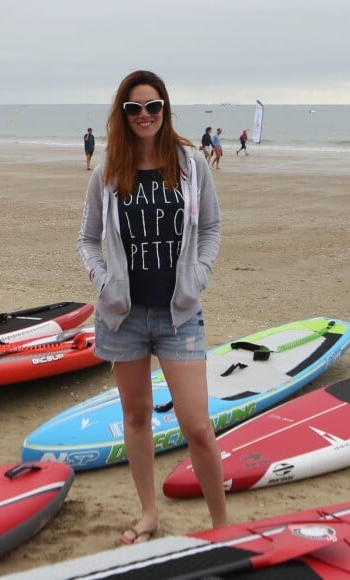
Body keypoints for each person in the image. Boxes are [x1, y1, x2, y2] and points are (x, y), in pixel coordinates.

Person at [78, 70, 227, 544]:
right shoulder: (108, 172)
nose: (145, 116)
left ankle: (222, 526)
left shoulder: (191, 166)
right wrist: (103, 283)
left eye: (153, 106)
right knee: (137, 416)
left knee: (198, 427)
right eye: (134, 108)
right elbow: (87, 240)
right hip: (122, 318)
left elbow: (211, 229)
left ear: (166, 109)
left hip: (179, 316)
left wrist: (198, 276)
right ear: (122, 115)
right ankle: (149, 514)